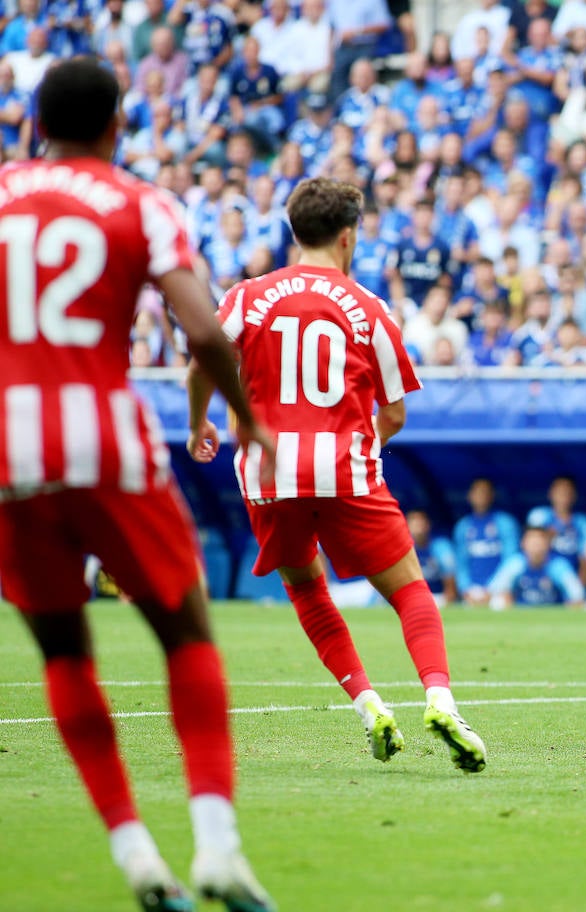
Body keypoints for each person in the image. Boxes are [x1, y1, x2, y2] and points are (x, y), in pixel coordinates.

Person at [0, 58, 275, 911]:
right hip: (108, 446)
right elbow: (204, 331)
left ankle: (134, 856)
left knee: (63, 650)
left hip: (12, 453)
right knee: (186, 631)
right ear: (118, 124)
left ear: (33, 122)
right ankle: (218, 848)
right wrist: (246, 418)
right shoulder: (140, 201)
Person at [186, 177, 487, 775]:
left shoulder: (249, 295)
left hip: (268, 472)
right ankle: (440, 700)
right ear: (349, 236)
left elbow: (203, 355)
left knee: (306, 590)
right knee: (408, 591)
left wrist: (199, 424)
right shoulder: (369, 307)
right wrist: (361, 448)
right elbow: (395, 412)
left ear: (293, 232)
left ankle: (369, 704)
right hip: (345, 471)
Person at [453, 476, 521, 605]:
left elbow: (510, 560)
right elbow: (461, 563)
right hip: (471, 593)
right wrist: (466, 589)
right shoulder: (463, 526)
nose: (481, 496)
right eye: (477, 492)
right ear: (470, 495)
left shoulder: (505, 522)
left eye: (485, 492)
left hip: (499, 591)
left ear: (492, 495)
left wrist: (492, 589)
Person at [488, 526, 586, 609]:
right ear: (523, 543)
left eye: (539, 541)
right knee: (497, 602)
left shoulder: (558, 565)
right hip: (520, 612)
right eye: (531, 541)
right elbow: (497, 589)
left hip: (552, 614)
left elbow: (577, 594)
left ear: (547, 544)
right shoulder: (516, 563)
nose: (535, 546)